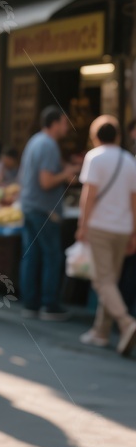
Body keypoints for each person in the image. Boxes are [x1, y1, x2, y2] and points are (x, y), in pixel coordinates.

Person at [75, 116, 136, 355]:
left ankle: (126, 322)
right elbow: (134, 201)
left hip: (100, 226)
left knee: (102, 281)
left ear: (95, 136)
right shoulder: (129, 160)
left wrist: (82, 225)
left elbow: (89, 195)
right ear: (118, 136)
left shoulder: (95, 157)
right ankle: (101, 331)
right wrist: (134, 232)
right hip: (123, 228)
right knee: (111, 280)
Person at [19, 106, 80, 321]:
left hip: (30, 206)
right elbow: (45, 181)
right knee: (52, 256)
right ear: (54, 123)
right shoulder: (48, 145)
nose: (67, 127)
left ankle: (30, 303)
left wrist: (66, 168)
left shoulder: (36, 141)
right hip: (44, 210)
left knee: (32, 256)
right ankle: (49, 304)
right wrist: (66, 174)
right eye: (64, 122)